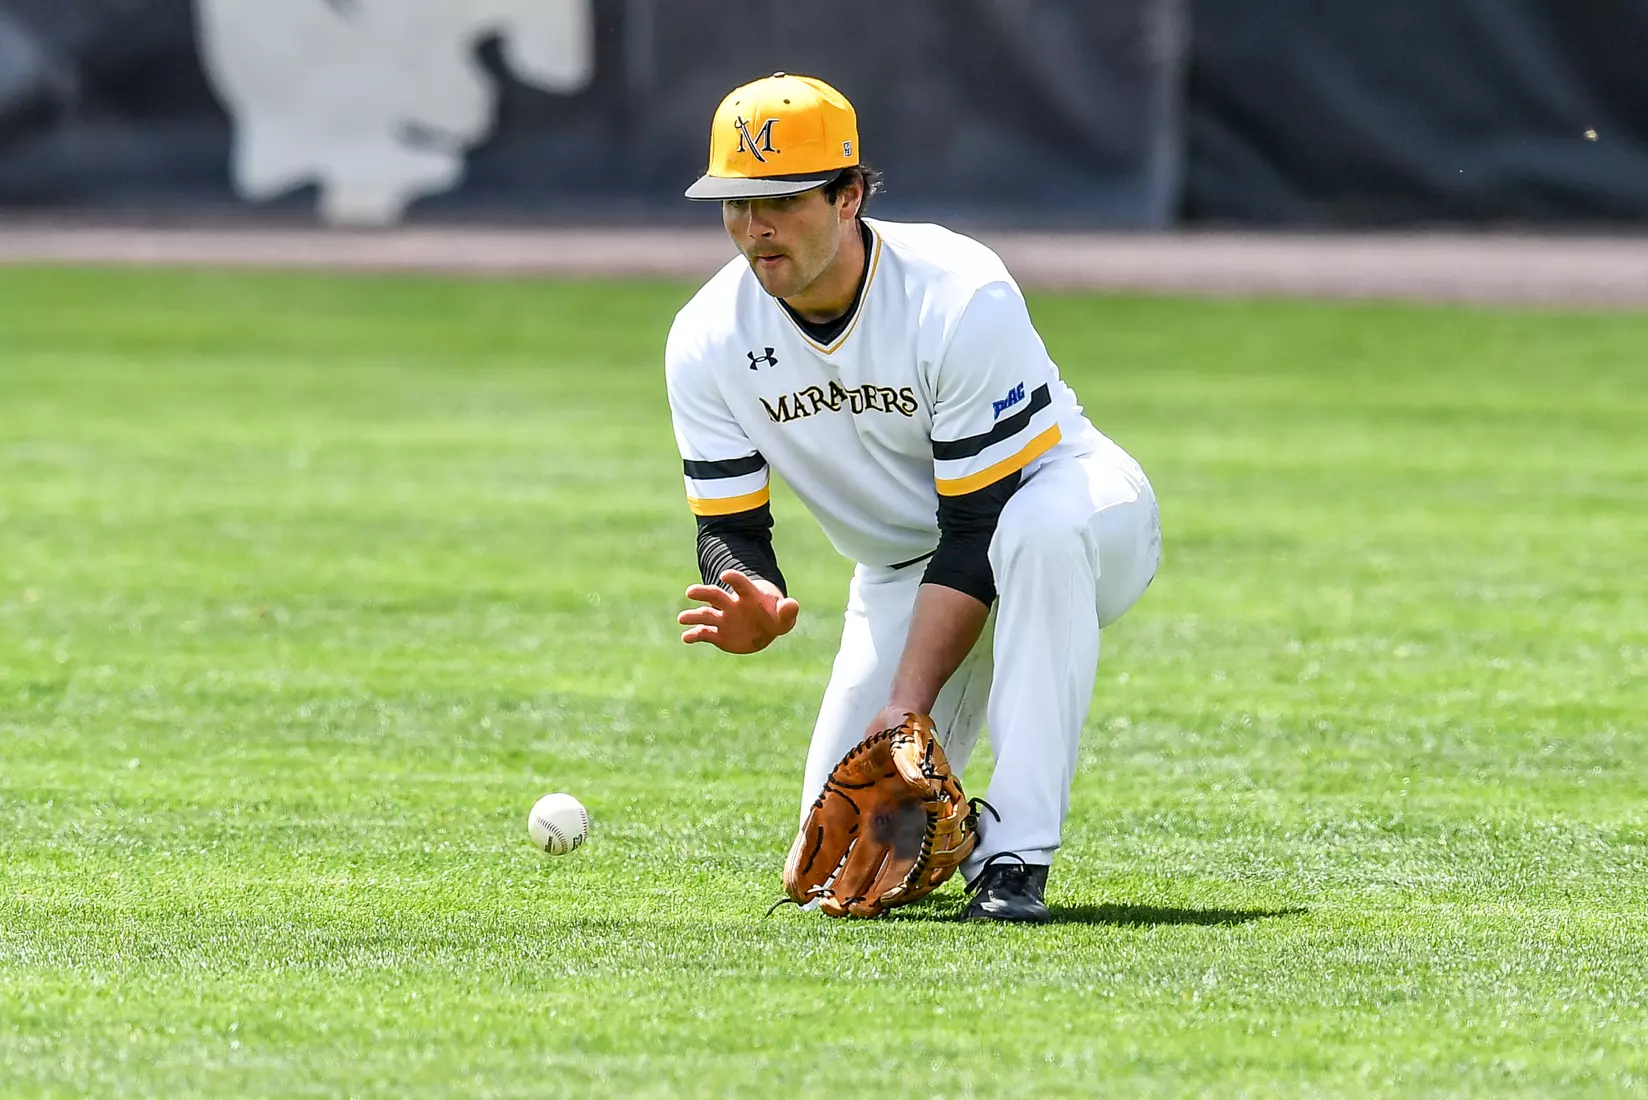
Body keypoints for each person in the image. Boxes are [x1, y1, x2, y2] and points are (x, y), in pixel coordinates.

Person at [665, 73, 1161, 922]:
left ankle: (1017, 856)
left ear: (850, 194)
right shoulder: (709, 337)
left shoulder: (956, 292)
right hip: (901, 569)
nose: (755, 227)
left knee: (1034, 536)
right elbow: (730, 524)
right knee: (832, 860)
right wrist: (754, 593)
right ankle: (959, 829)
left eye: (781, 199)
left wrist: (908, 705)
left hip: (1071, 509)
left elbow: (977, 527)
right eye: (736, 203)